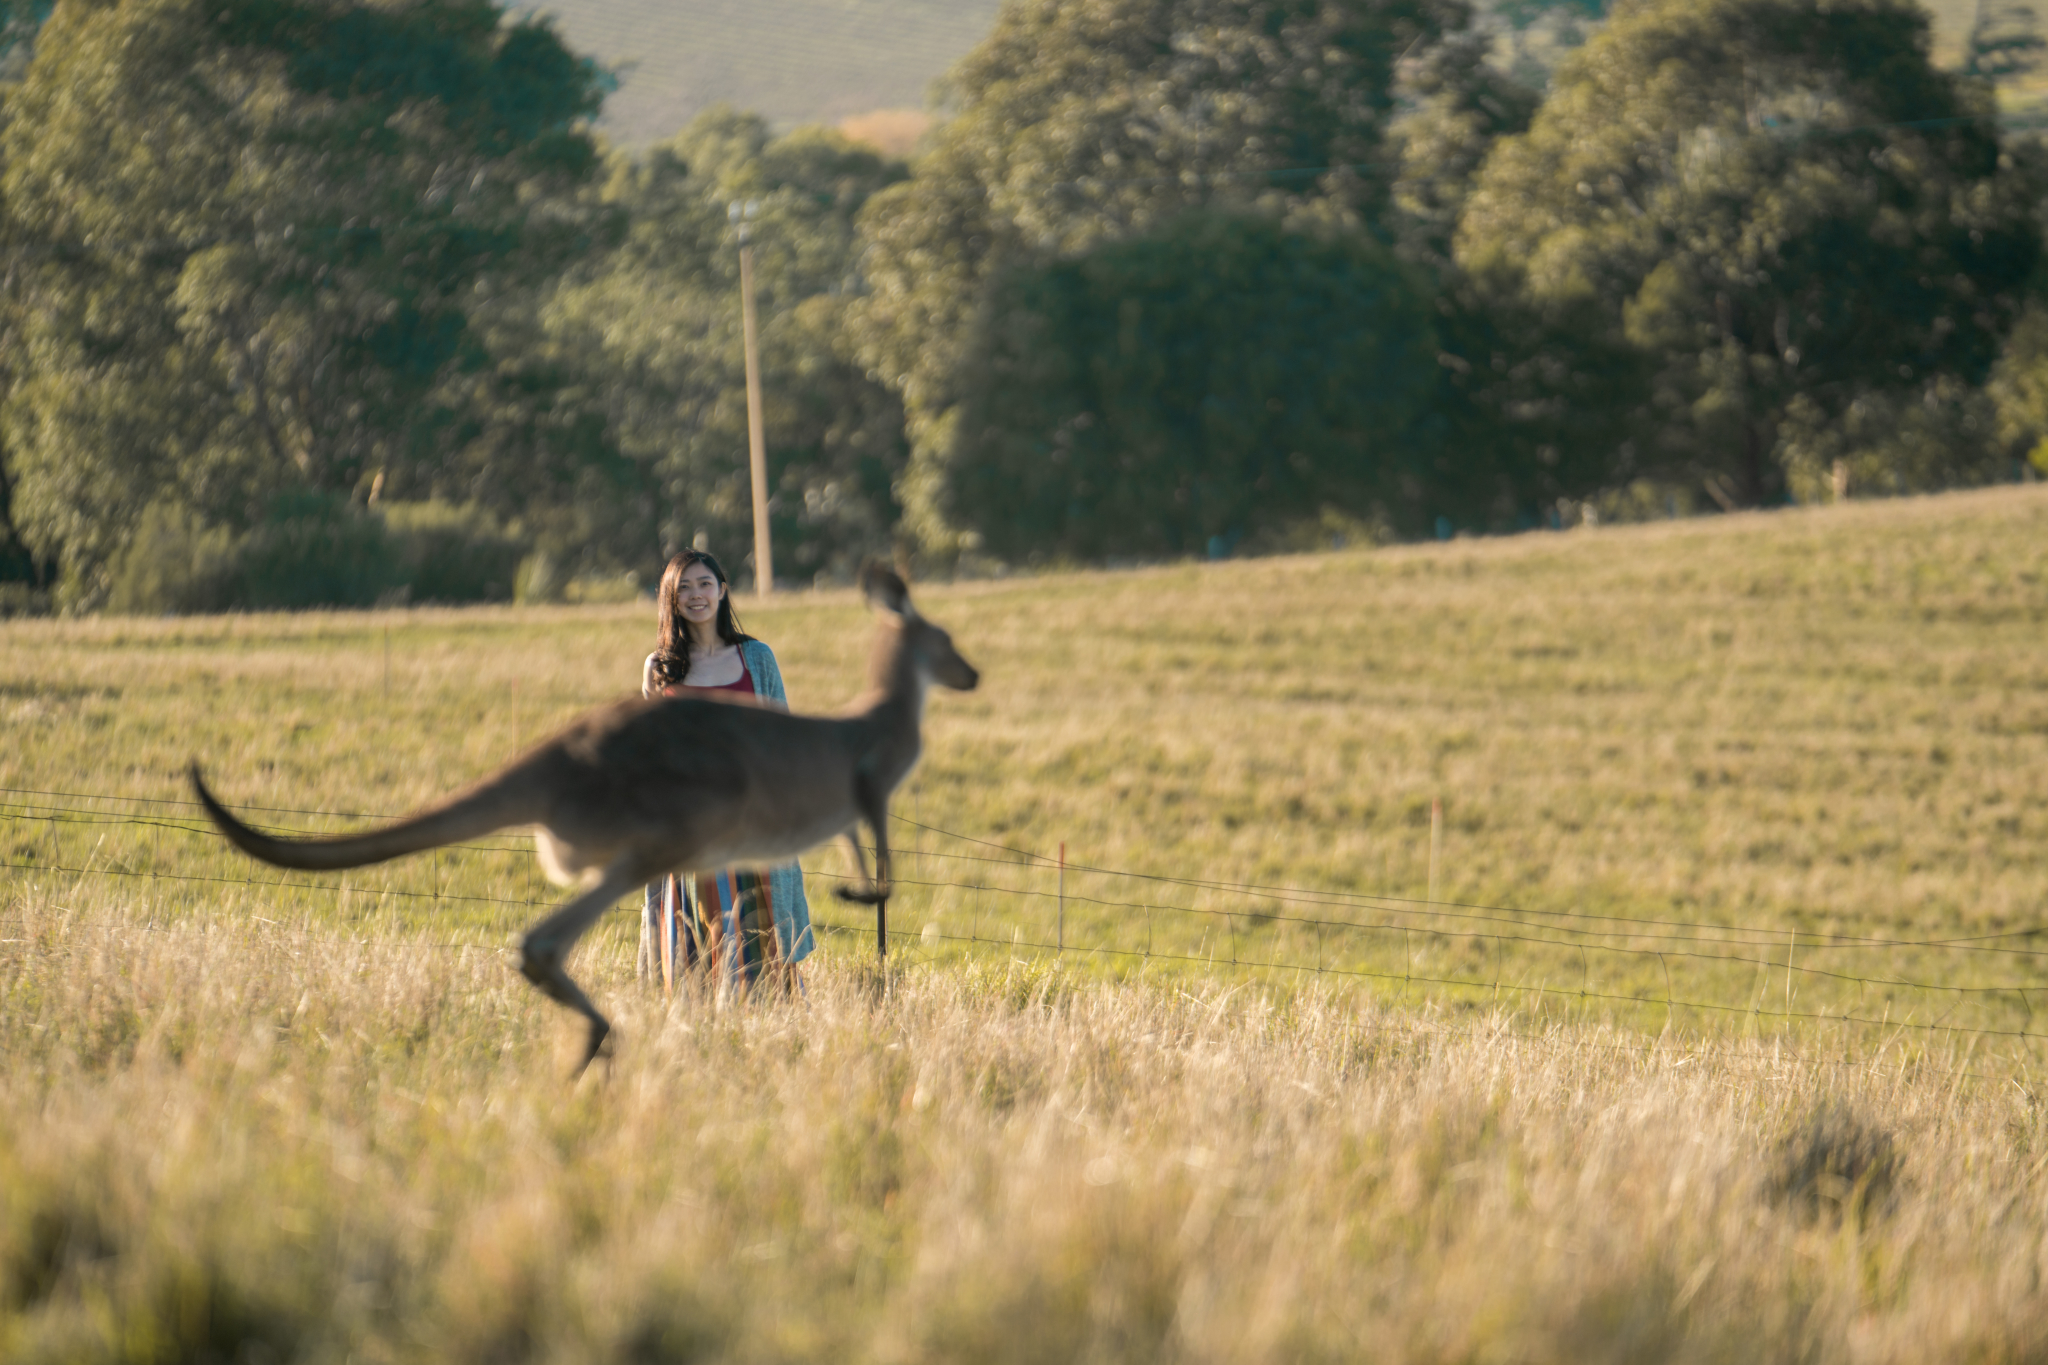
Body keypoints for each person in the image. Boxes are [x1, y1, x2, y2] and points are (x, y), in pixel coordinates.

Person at [638, 549, 814, 994]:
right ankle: (704, 1038)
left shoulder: (757, 658)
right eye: (684, 588)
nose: (696, 595)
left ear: (722, 590)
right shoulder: (661, 667)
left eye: (704, 584)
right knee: (699, 944)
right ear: (670, 599)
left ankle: (771, 1034)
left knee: (764, 942)